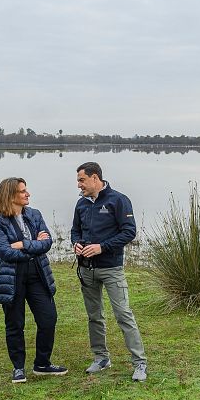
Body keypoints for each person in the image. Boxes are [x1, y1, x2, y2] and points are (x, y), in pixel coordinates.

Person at [71, 162, 147, 381]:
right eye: (78, 181)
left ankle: (139, 363)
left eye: (81, 180)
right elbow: (75, 230)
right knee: (94, 316)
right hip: (86, 270)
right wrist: (76, 243)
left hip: (111, 269)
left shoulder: (118, 200)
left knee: (123, 315)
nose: (79, 185)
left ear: (95, 178)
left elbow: (129, 232)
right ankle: (101, 357)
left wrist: (101, 247)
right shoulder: (81, 204)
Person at [0, 177, 68, 383]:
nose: (27, 194)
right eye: (23, 191)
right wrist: (32, 246)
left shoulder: (34, 214)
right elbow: (5, 251)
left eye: (26, 190)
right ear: (10, 196)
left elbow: (47, 242)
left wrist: (22, 244)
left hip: (37, 274)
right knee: (15, 323)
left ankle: (42, 363)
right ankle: (18, 368)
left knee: (48, 318)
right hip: (12, 277)